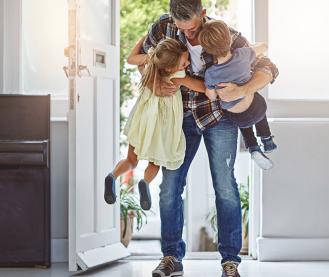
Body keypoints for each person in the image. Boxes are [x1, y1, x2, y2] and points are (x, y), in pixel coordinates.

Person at [141, 1, 278, 276]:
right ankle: (171, 258)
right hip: (179, 118)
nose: (188, 35)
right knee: (169, 187)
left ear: (202, 15)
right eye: (181, 29)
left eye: (192, 28)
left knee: (225, 187)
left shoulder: (223, 34)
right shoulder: (162, 28)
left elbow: (268, 67)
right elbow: (145, 60)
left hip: (219, 117)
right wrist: (152, 81)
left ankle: (230, 262)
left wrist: (244, 87)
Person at [104, 38, 206, 211]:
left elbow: (130, 59)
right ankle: (145, 182)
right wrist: (186, 81)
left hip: (142, 120)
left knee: (131, 160)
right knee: (155, 162)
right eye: (183, 63)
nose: (187, 63)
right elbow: (202, 87)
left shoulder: (150, 64)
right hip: (162, 124)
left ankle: (112, 176)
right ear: (169, 68)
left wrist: (143, 39)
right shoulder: (177, 76)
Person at [198, 20, 277, 170]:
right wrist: (255, 46)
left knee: (238, 116)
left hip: (237, 119)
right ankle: (267, 139)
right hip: (257, 109)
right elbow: (264, 47)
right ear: (229, 40)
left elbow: (212, 96)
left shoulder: (211, 74)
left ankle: (253, 147)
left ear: (207, 50)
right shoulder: (243, 54)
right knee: (257, 102)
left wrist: (214, 90)